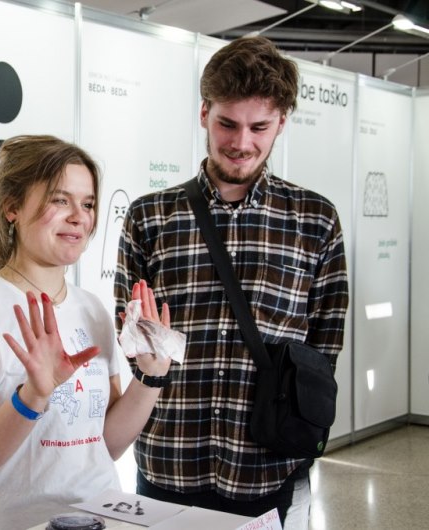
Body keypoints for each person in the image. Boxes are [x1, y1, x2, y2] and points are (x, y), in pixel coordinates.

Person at [114, 36, 349, 528]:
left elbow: (322, 352)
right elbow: (131, 342)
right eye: (227, 123)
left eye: (259, 126)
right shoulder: (149, 217)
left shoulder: (316, 220)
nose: (242, 143)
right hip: (168, 462)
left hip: (268, 469)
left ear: (281, 122)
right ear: (204, 113)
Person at [0, 135, 173, 530]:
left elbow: (104, 446)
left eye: (87, 204)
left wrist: (150, 376)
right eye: (60, 200)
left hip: (102, 520)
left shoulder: (91, 309)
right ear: (12, 208)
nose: (79, 217)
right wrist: (33, 396)